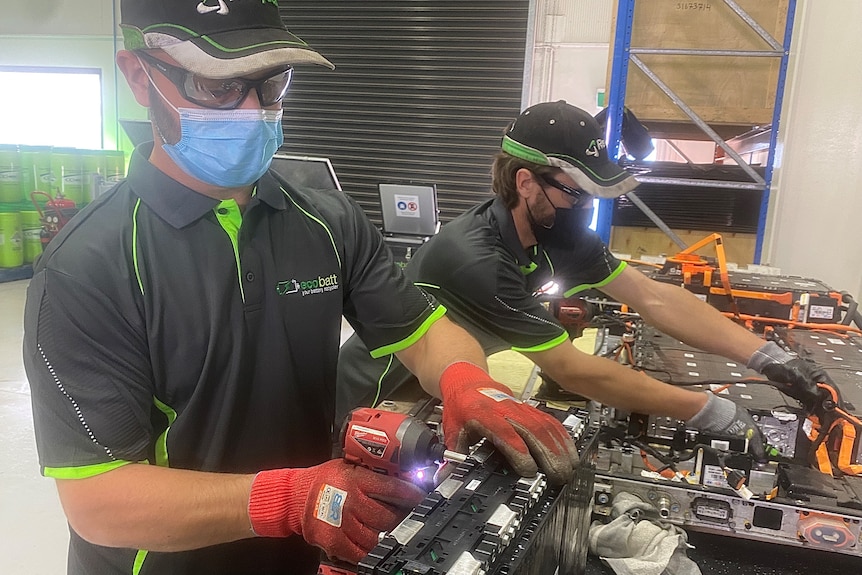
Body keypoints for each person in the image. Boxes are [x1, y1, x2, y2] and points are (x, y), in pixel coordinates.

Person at [22, 3, 579, 574]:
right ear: (140, 77)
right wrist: (289, 498)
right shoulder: (89, 267)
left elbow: (424, 333)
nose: (251, 110)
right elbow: (98, 501)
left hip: (304, 545)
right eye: (217, 85)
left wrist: (466, 381)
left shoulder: (326, 222)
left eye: (270, 84)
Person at [337, 100, 831, 460]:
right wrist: (706, 411)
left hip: (445, 389)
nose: (585, 208)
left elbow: (653, 298)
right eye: (577, 192)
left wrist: (769, 357)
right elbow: (573, 370)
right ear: (525, 182)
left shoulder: (560, 230)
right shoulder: (474, 257)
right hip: (378, 397)